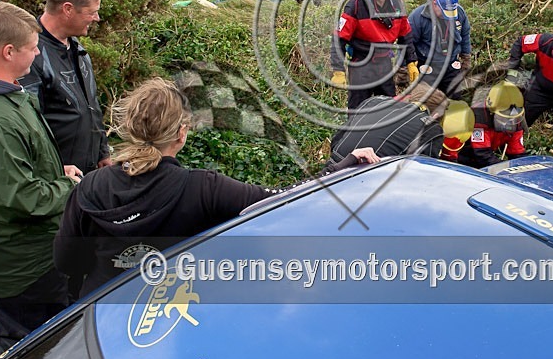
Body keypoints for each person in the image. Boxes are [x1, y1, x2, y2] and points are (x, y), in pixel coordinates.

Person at [53, 78, 379, 297]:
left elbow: (66, 262)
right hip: (173, 310)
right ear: (182, 134)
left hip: (102, 310)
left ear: (129, 129)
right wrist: (345, 165)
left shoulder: (90, 187)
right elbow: (286, 201)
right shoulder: (203, 189)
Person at [0, 0, 82, 354]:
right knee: (37, 352)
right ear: (9, 51)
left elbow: (10, 170)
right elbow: (21, 198)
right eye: (33, 47)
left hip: (26, 256)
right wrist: (68, 186)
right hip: (23, 267)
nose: (39, 54)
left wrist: (56, 170)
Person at [19, 0, 111, 174]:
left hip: (88, 171)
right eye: (92, 12)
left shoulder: (76, 47)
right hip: (58, 178)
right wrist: (54, 170)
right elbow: (29, 125)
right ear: (68, 9)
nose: (97, 18)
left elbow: (91, 105)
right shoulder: (31, 55)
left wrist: (102, 152)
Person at [330, 0, 419, 110]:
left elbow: (406, 37)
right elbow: (339, 39)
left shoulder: (398, 5)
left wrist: (411, 62)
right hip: (360, 64)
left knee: (387, 108)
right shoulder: (356, 5)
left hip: (383, 64)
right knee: (356, 110)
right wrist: (338, 70)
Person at [329, 81, 449, 162]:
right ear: (436, 115)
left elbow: (336, 141)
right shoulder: (431, 128)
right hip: (368, 179)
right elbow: (423, 170)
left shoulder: (374, 101)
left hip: (333, 168)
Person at [408, 0, 472, 98]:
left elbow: (465, 35)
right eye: (445, 12)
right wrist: (406, 65)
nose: (448, 16)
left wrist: (466, 57)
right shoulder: (417, 16)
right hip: (427, 65)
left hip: (451, 64)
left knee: (455, 99)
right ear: (435, 4)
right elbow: (408, 43)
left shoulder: (460, 13)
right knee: (427, 101)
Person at [456, 81, 527, 167]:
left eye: (512, 118)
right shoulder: (478, 119)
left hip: (487, 155)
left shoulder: (516, 120)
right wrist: (504, 167)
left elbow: (517, 152)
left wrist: (523, 166)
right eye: (504, 118)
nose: (509, 122)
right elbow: (482, 155)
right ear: (492, 112)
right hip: (464, 159)